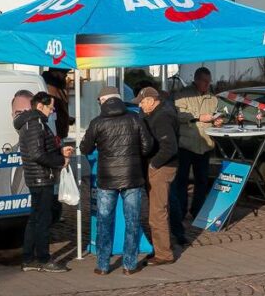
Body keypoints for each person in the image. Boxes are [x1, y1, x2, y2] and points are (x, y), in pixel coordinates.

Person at [80, 86, 154, 275]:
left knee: (105, 221)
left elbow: (85, 148)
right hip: (132, 176)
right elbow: (148, 146)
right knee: (132, 220)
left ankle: (103, 265)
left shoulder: (97, 122)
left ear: (103, 101)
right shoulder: (135, 118)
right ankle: (129, 265)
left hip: (106, 178)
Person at [15, 92, 73, 273]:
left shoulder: (35, 123)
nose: (53, 109)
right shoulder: (35, 124)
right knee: (42, 219)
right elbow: (37, 154)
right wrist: (60, 161)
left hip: (39, 177)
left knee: (36, 218)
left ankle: (29, 258)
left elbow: (42, 148)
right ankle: (42, 258)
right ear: (40, 106)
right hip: (40, 178)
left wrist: (60, 150)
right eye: (50, 106)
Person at [170, 67, 223, 245]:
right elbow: (178, 115)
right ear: (196, 80)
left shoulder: (213, 98)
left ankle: (198, 209)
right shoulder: (182, 94)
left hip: (205, 145)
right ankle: (181, 211)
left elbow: (214, 117)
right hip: (186, 144)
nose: (207, 85)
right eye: (205, 82)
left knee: (202, 180)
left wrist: (217, 120)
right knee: (182, 180)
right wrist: (199, 117)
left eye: (209, 82)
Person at [134, 86, 179, 265]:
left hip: (162, 167)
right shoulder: (156, 113)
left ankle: (164, 254)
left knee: (157, 211)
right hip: (161, 166)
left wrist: (154, 164)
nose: (141, 106)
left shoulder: (162, 117)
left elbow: (170, 147)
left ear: (152, 100)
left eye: (142, 102)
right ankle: (163, 247)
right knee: (158, 209)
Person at [0, 90, 32, 198]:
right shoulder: (6, 156)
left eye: (28, 112)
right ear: (12, 116)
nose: (23, 119)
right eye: (18, 113)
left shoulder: (47, 150)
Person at [41, 68, 73, 140]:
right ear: (55, 72)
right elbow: (52, 111)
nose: (66, 75)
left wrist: (67, 118)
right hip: (54, 134)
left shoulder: (59, 86)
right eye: (64, 72)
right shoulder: (49, 86)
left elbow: (59, 109)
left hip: (59, 133)